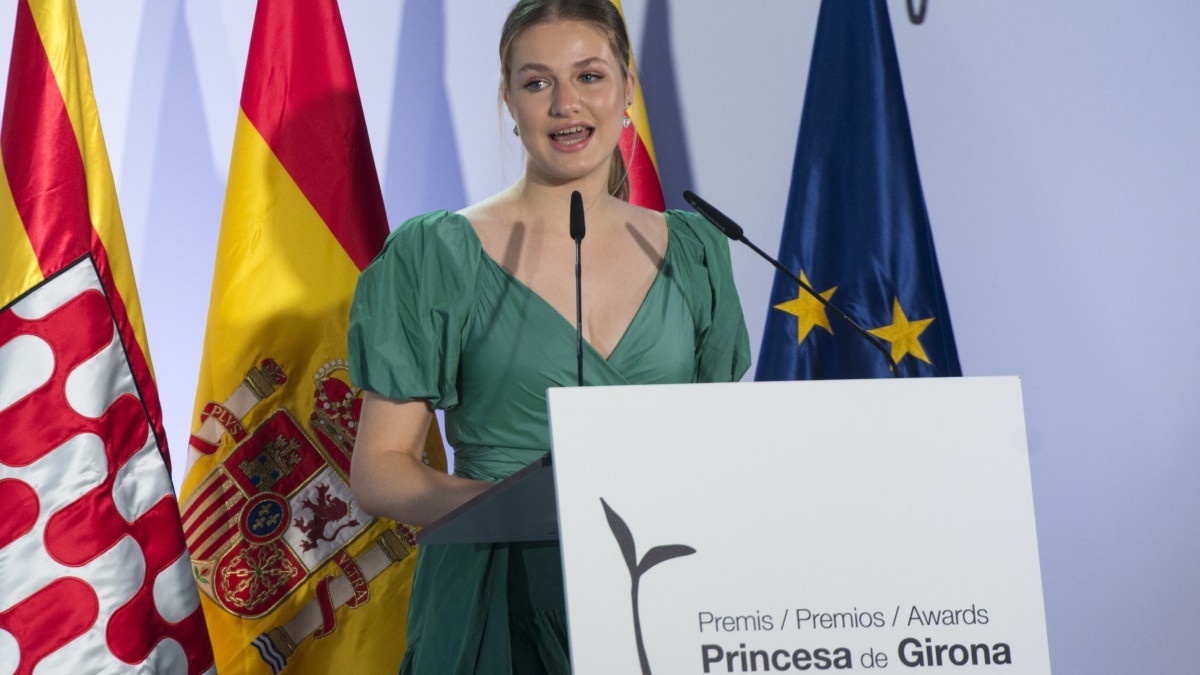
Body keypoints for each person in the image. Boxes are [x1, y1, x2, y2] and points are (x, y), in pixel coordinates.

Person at [347, 0, 750, 672]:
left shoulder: (698, 251)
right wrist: (518, 507)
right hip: (493, 593)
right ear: (509, 100)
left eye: (589, 76)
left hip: (661, 590)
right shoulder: (435, 254)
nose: (567, 104)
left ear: (626, 88)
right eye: (538, 83)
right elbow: (380, 470)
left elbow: (716, 446)